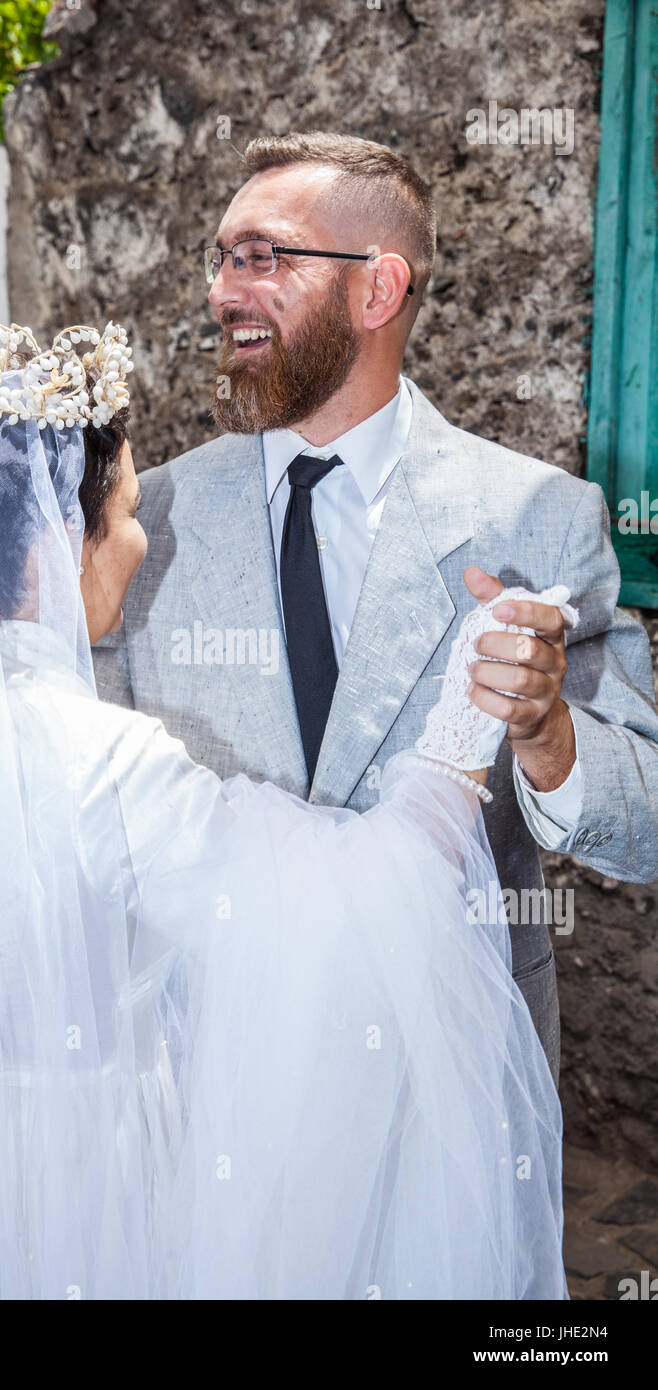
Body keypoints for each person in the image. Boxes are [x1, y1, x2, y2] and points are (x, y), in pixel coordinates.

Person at [0, 321, 569, 1300]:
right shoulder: (101, 763)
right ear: (46, 543)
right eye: (120, 512)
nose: (140, 534)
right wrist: (468, 705)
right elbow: (352, 900)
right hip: (84, 1185)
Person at [93, 133, 658, 1089]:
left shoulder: (540, 518)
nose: (223, 291)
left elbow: (644, 821)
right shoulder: (149, 522)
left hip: (447, 1088)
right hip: (211, 1070)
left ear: (378, 289)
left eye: (262, 256)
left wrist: (550, 732)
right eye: (220, 258)